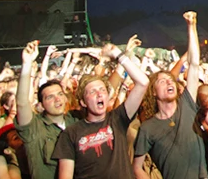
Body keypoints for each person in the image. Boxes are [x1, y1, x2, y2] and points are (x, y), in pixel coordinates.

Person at [51, 43, 150, 179]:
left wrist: (118, 54)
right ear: (83, 102)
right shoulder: (71, 133)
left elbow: (143, 82)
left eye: (102, 90)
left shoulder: (117, 119)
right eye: (92, 91)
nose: (99, 94)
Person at [133, 11, 207, 179]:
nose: (169, 82)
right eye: (162, 81)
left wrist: (191, 26)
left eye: (170, 80)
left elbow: (194, 64)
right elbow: (137, 168)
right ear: (153, 92)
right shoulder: (147, 128)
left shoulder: (187, 104)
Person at [15, 42, 78, 179]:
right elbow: (21, 103)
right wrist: (26, 64)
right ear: (41, 105)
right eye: (50, 97)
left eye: (60, 94)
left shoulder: (75, 122)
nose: (57, 99)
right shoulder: (34, 128)